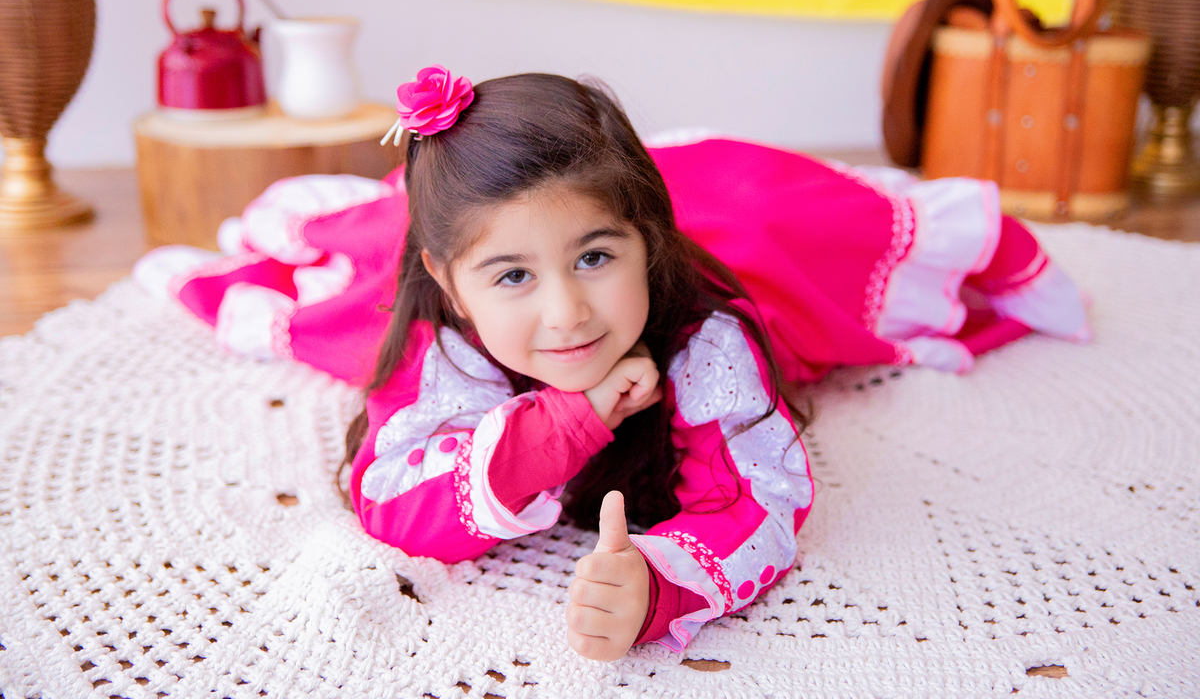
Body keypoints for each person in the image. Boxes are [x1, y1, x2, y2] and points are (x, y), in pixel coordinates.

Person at [132, 66, 1089, 661]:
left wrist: (660, 585)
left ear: (645, 242)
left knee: (786, 222)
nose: (567, 314)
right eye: (513, 275)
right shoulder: (441, 343)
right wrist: (563, 423)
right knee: (326, 291)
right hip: (439, 280)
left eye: (597, 256)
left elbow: (761, 497)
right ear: (454, 284)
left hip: (714, 227)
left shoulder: (704, 340)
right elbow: (394, 500)